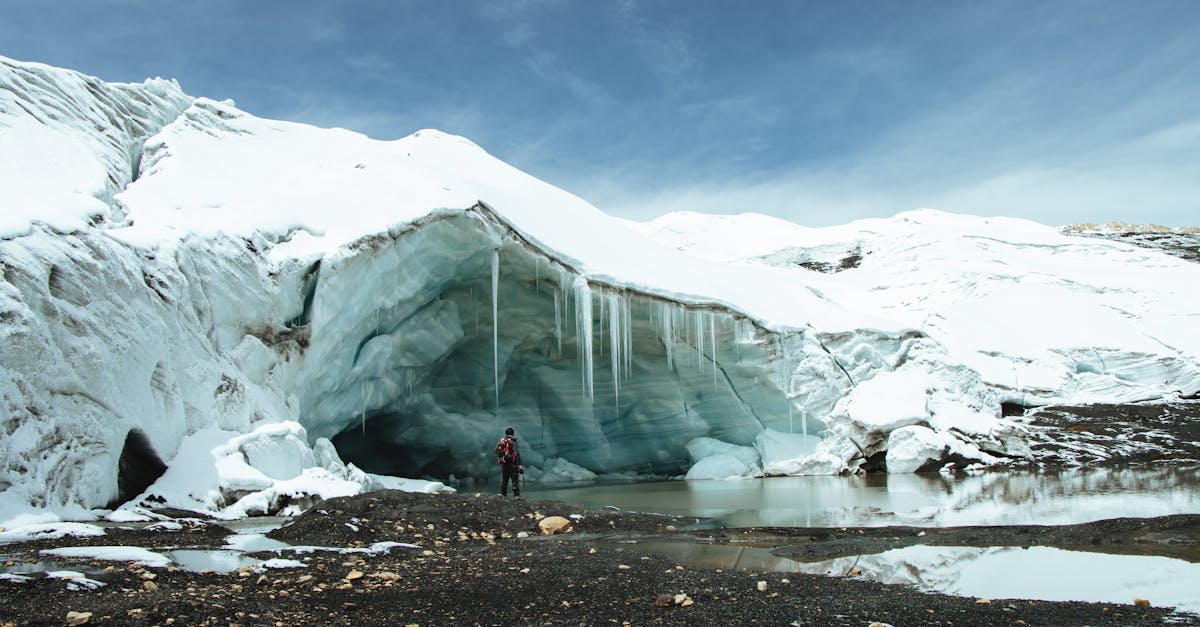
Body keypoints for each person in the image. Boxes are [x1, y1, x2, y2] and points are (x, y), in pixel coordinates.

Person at [495, 426, 524, 497]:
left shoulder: (502, 441)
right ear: (513, 433)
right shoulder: (513, 442)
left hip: (504, 464)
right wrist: (520, 465)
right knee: (515, 481)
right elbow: (516, 454)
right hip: (513, 464)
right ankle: (516, 495)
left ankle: (503, 494)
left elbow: (496, 451)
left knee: (505, 480)